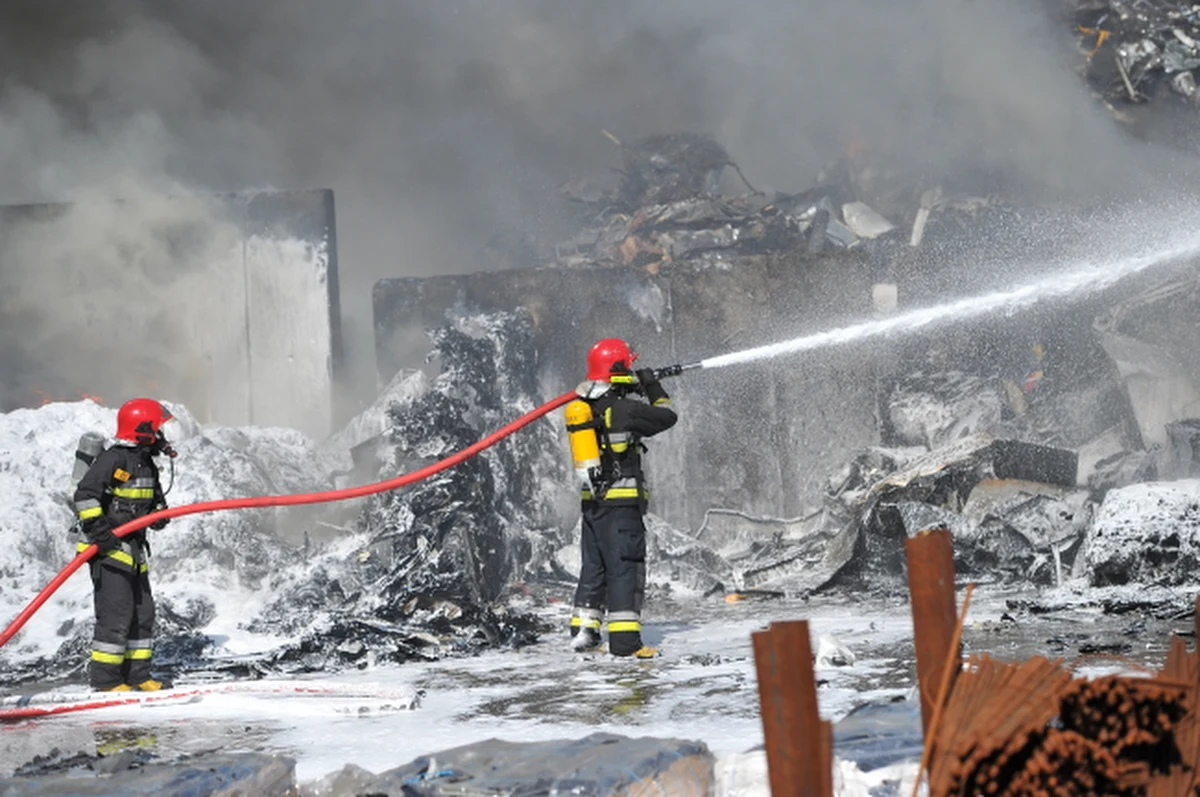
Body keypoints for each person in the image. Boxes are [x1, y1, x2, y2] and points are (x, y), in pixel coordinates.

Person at [567, 339, 677, 659]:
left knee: (594, 569)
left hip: (593, 506)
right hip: (621, 507)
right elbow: (666, 416)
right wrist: (651, 384)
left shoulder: (584, 408)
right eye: (627, 366)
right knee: (624, 569)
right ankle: (626, 643)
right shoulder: (625, 410)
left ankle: (584, 635)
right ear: (618, 370)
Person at [73, 398, 176, 692]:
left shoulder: (145, 464)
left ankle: (138, 677)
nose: (161, 437)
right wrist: (101, 532)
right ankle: (106, 682)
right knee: (116, 615)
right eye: (158, 429)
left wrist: (157, 516)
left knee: (143, 614)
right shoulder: (114, 459)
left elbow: (153, 502)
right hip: (108, 551)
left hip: (134, 550)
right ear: (143, 429)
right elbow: (85, 496)